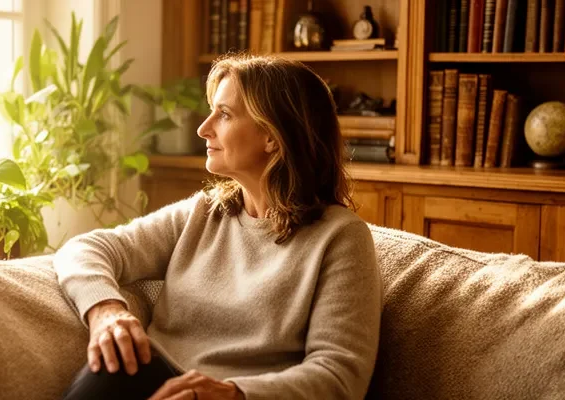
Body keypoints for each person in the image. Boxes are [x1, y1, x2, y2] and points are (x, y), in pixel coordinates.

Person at [54, 53, 382, 400]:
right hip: (152, 378)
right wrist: (106, 311)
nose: (203, 128)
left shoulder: (340, 238)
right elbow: (86, 249)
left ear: (272, 135)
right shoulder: (204, 212)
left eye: (224, 114)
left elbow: (339, 376)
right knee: (115, 364)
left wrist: (230, 392)